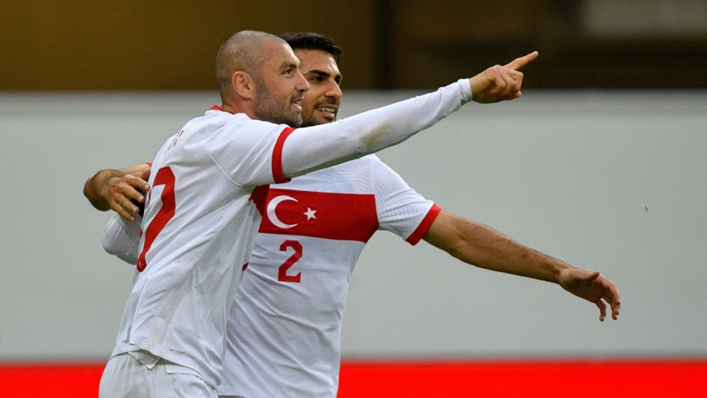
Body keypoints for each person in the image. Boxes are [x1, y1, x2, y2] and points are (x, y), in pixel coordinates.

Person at [87, 32, 620, 398]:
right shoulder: (237, 146)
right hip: (189, 375)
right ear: (247, 84)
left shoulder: (353, 176)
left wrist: (554, 270)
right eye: (299, 74)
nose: (318, 88)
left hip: (270, 383)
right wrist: (463, 91)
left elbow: (123, 238)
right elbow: (353, 135)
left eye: (326, 77)